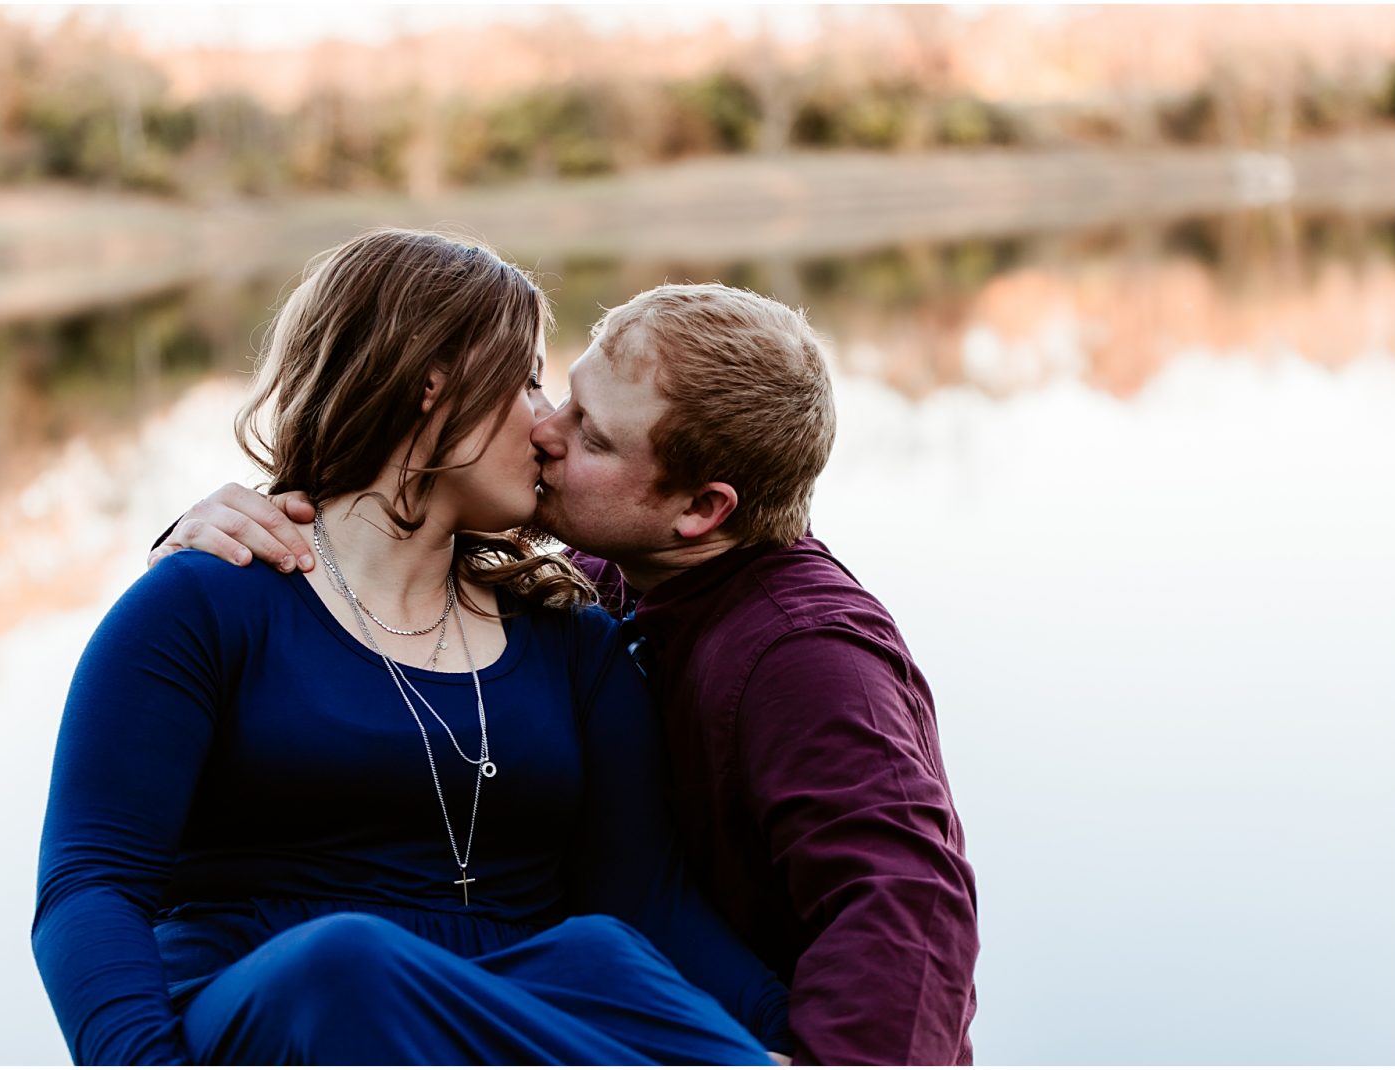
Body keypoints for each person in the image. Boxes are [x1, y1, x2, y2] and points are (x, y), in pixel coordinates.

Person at [165, 281, 982, 1064]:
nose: (545, 431)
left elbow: (909, 905)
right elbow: (394, 555)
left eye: (590, 435)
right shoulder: (601, 583)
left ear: (701, 510)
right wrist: (226, 541)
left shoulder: (807, 657)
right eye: (563, 395)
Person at [33, 230, 797, 1065]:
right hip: (284, 1005)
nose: (547, 429)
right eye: (529, 382)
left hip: (512, 1012)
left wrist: (812, 1040)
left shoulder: (573, 642)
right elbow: (91, 888)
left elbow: (654, 905)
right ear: (432, 386)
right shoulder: (201, 603)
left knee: (603, 958)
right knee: (348, 961)